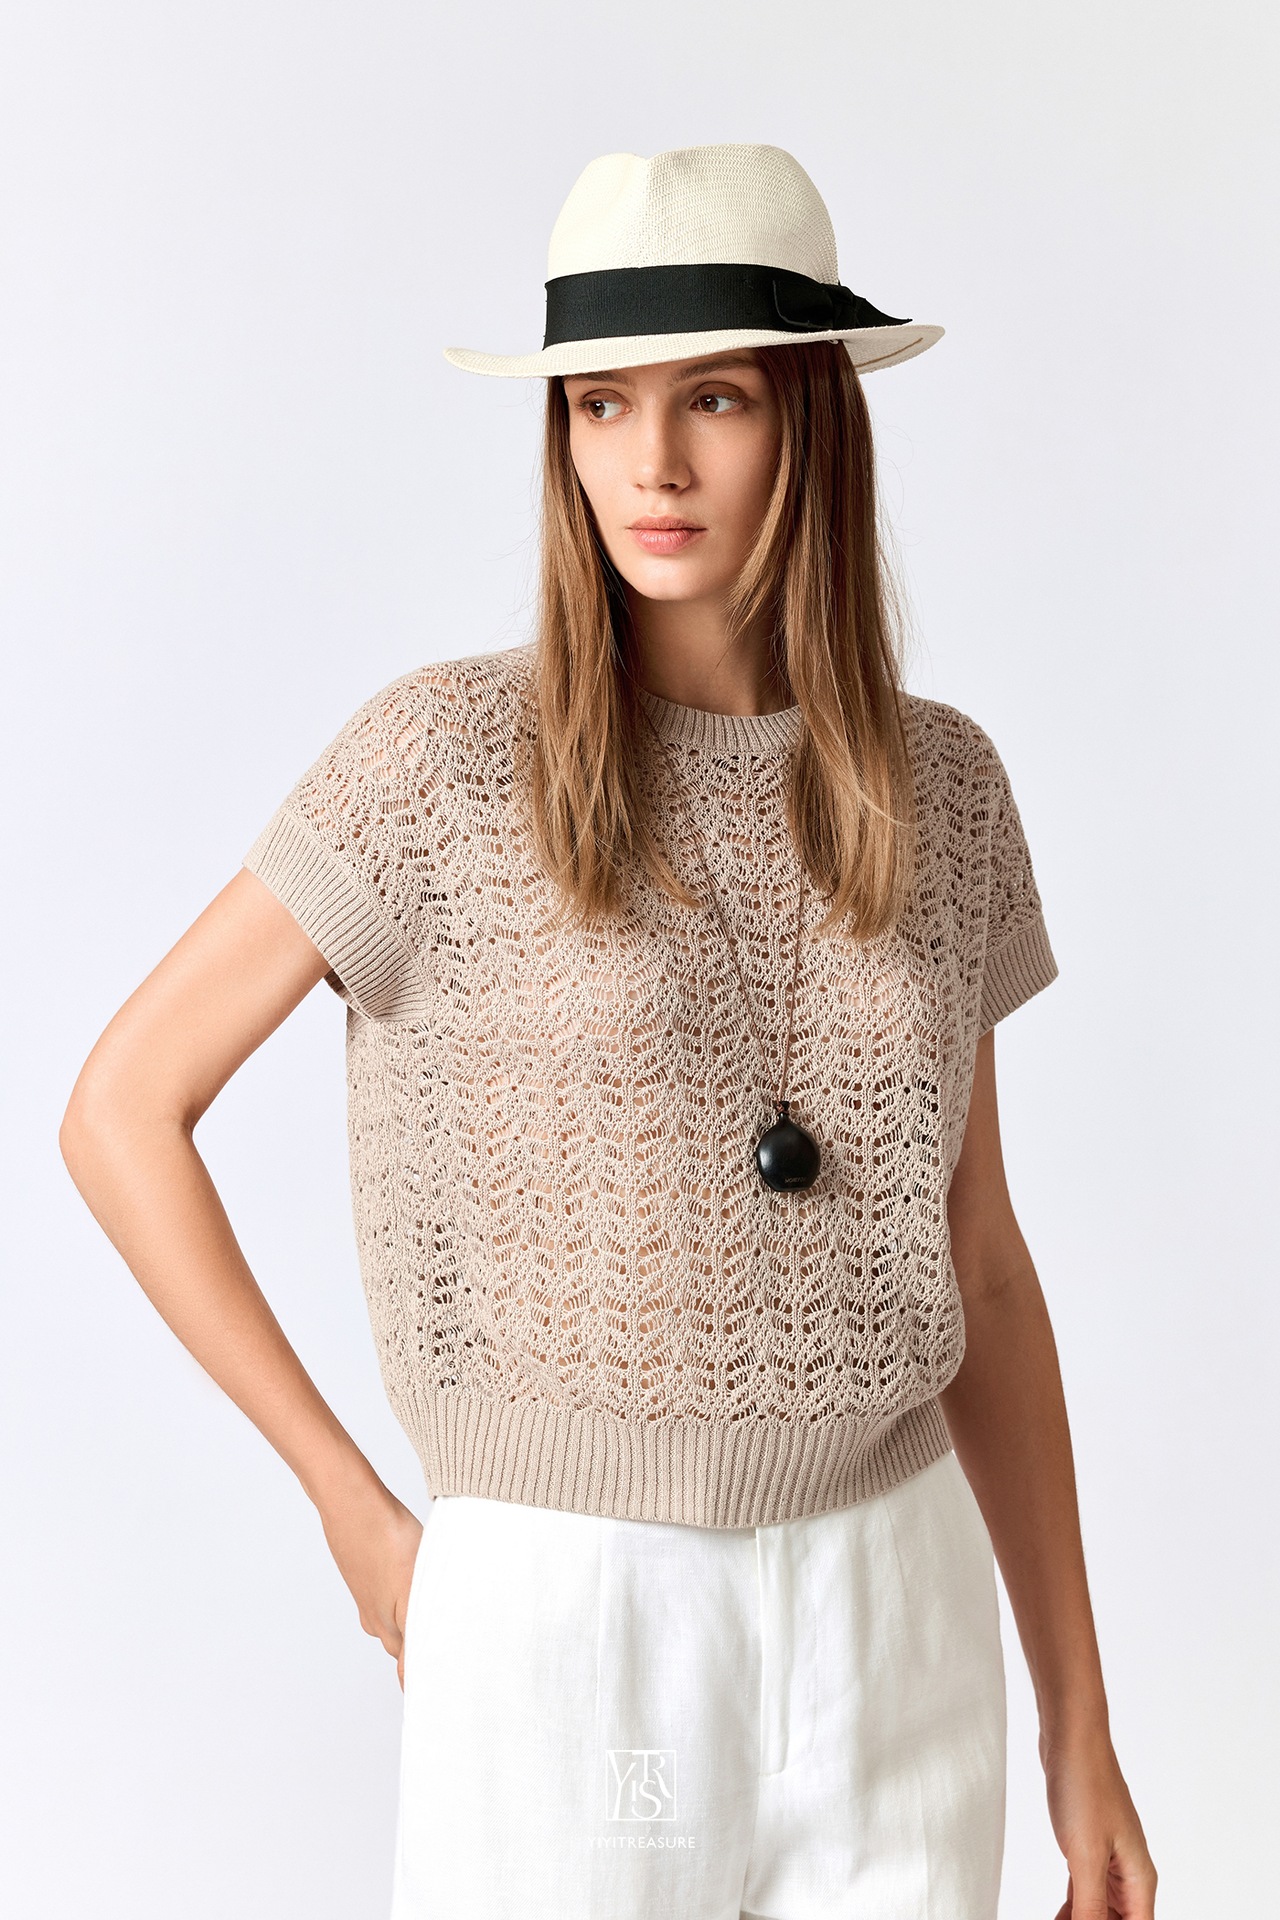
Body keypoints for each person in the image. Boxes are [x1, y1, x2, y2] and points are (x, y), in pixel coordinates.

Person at [59, 143, 1157, 1920]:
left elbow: (983, 1263)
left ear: (810, 420)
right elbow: (122, 1111)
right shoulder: (437, 764)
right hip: (576, 1628)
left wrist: (1079, 1727)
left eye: (715, 398)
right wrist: (352, 1508)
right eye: (601, 404)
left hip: (896, 1608)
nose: (652, 463)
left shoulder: (945, 789)